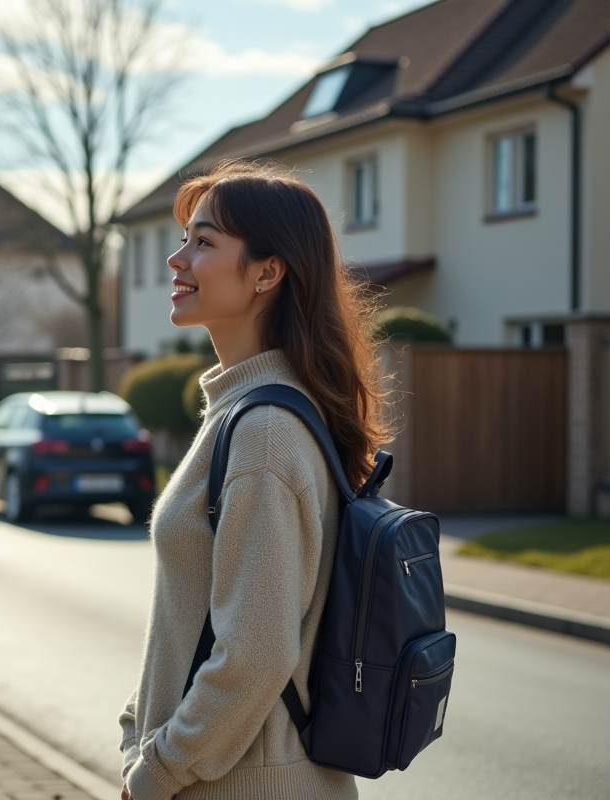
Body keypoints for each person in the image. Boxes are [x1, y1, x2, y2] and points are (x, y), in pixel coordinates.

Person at [118, 161, 387, 800]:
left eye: (204, 242)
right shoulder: (248, 411)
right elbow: (191, 624)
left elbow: (256, 656)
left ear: (267, 272)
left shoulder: (264, 430)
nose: (177, 259)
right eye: (185, 239)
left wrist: (157, 769)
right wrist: (138, 728)